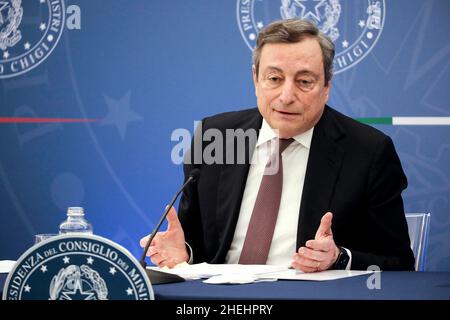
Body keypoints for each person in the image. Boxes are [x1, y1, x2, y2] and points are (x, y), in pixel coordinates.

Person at [140, 19, 415, 272]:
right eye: (274, 79)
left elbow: (399, 263)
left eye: (304, 81)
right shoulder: (217, 136)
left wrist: (338, 257)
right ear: (255, 79)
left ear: (327, 85)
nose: (286, 96)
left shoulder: (368, 151)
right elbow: (197, 244)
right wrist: (182, 253)